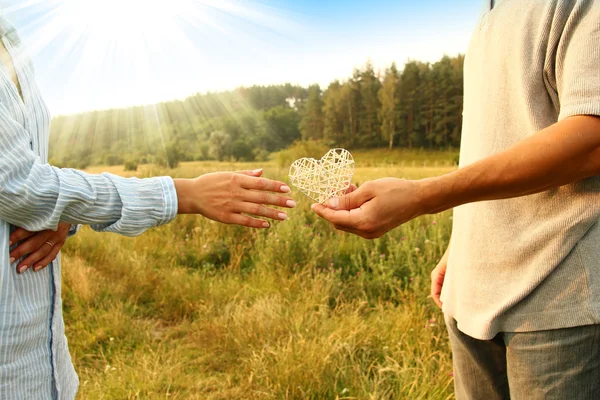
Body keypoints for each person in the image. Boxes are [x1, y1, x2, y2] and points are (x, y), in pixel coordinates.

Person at [313, 0, 600, 398]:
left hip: (560, 302)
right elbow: (498, 135)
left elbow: (591, 139)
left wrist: (421, 195)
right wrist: (461, 242)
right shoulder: (490, 10)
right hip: (471, 293)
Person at [0, 16, 295, 398]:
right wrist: (182, 193)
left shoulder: (11, 36)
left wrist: (61, 213)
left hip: (43, 359)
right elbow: (17, 185)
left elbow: (27, 170)